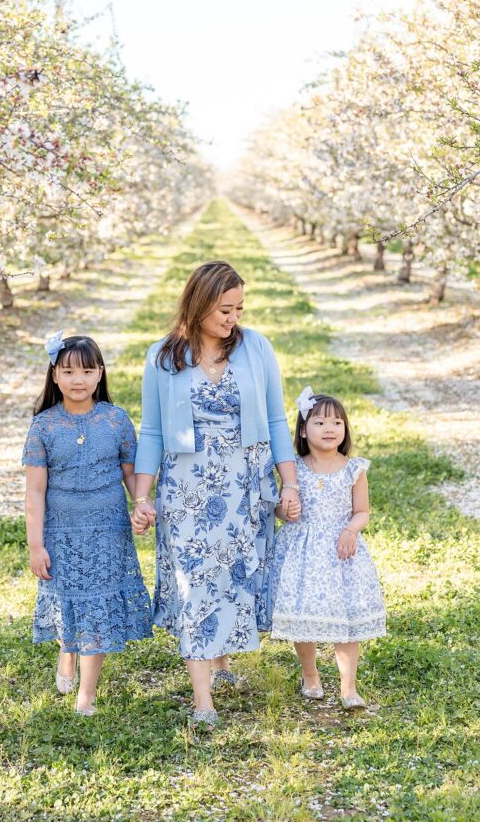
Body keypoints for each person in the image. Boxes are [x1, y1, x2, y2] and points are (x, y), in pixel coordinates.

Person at [131, 261, 300, 729]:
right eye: (224, 309)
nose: (233, 318)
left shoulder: (256, 348)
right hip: (186, 486)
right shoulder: (163, 357)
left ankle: (221, 659)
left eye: (239, 308)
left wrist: (290, 483)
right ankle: (202, 698)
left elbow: (275, 423)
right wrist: (143, 498)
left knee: (232, 575)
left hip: (246, 483)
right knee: (195, 583)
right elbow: (151, 432)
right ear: (199, 303)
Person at [22, 331, 152, 716]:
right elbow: (35, 493)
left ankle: (88, 692)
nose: (78, 380)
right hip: (61, 530)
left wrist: (141, 505)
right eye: (68, 371)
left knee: (96, 605)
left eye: (87, 370)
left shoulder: (116, 420)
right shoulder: (43, 427)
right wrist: (35, 544)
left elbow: (132, 475)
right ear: (55, 376)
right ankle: (67, 649)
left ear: (100, 375)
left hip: (107, 529)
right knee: (67, 600)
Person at [269, 387, 386, 709]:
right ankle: (310, 674)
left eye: (337, 423)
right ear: (304, 431)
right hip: (302, 551)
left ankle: (349, 688)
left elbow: (362, 511)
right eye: (320, 423)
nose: (330, 429)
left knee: (346, 620)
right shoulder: (292, 467)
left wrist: (351, 530)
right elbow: (282, 507)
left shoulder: (354, 468)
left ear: (345, 430)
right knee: (304, 616)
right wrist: (284, 511)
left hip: (340, 551)